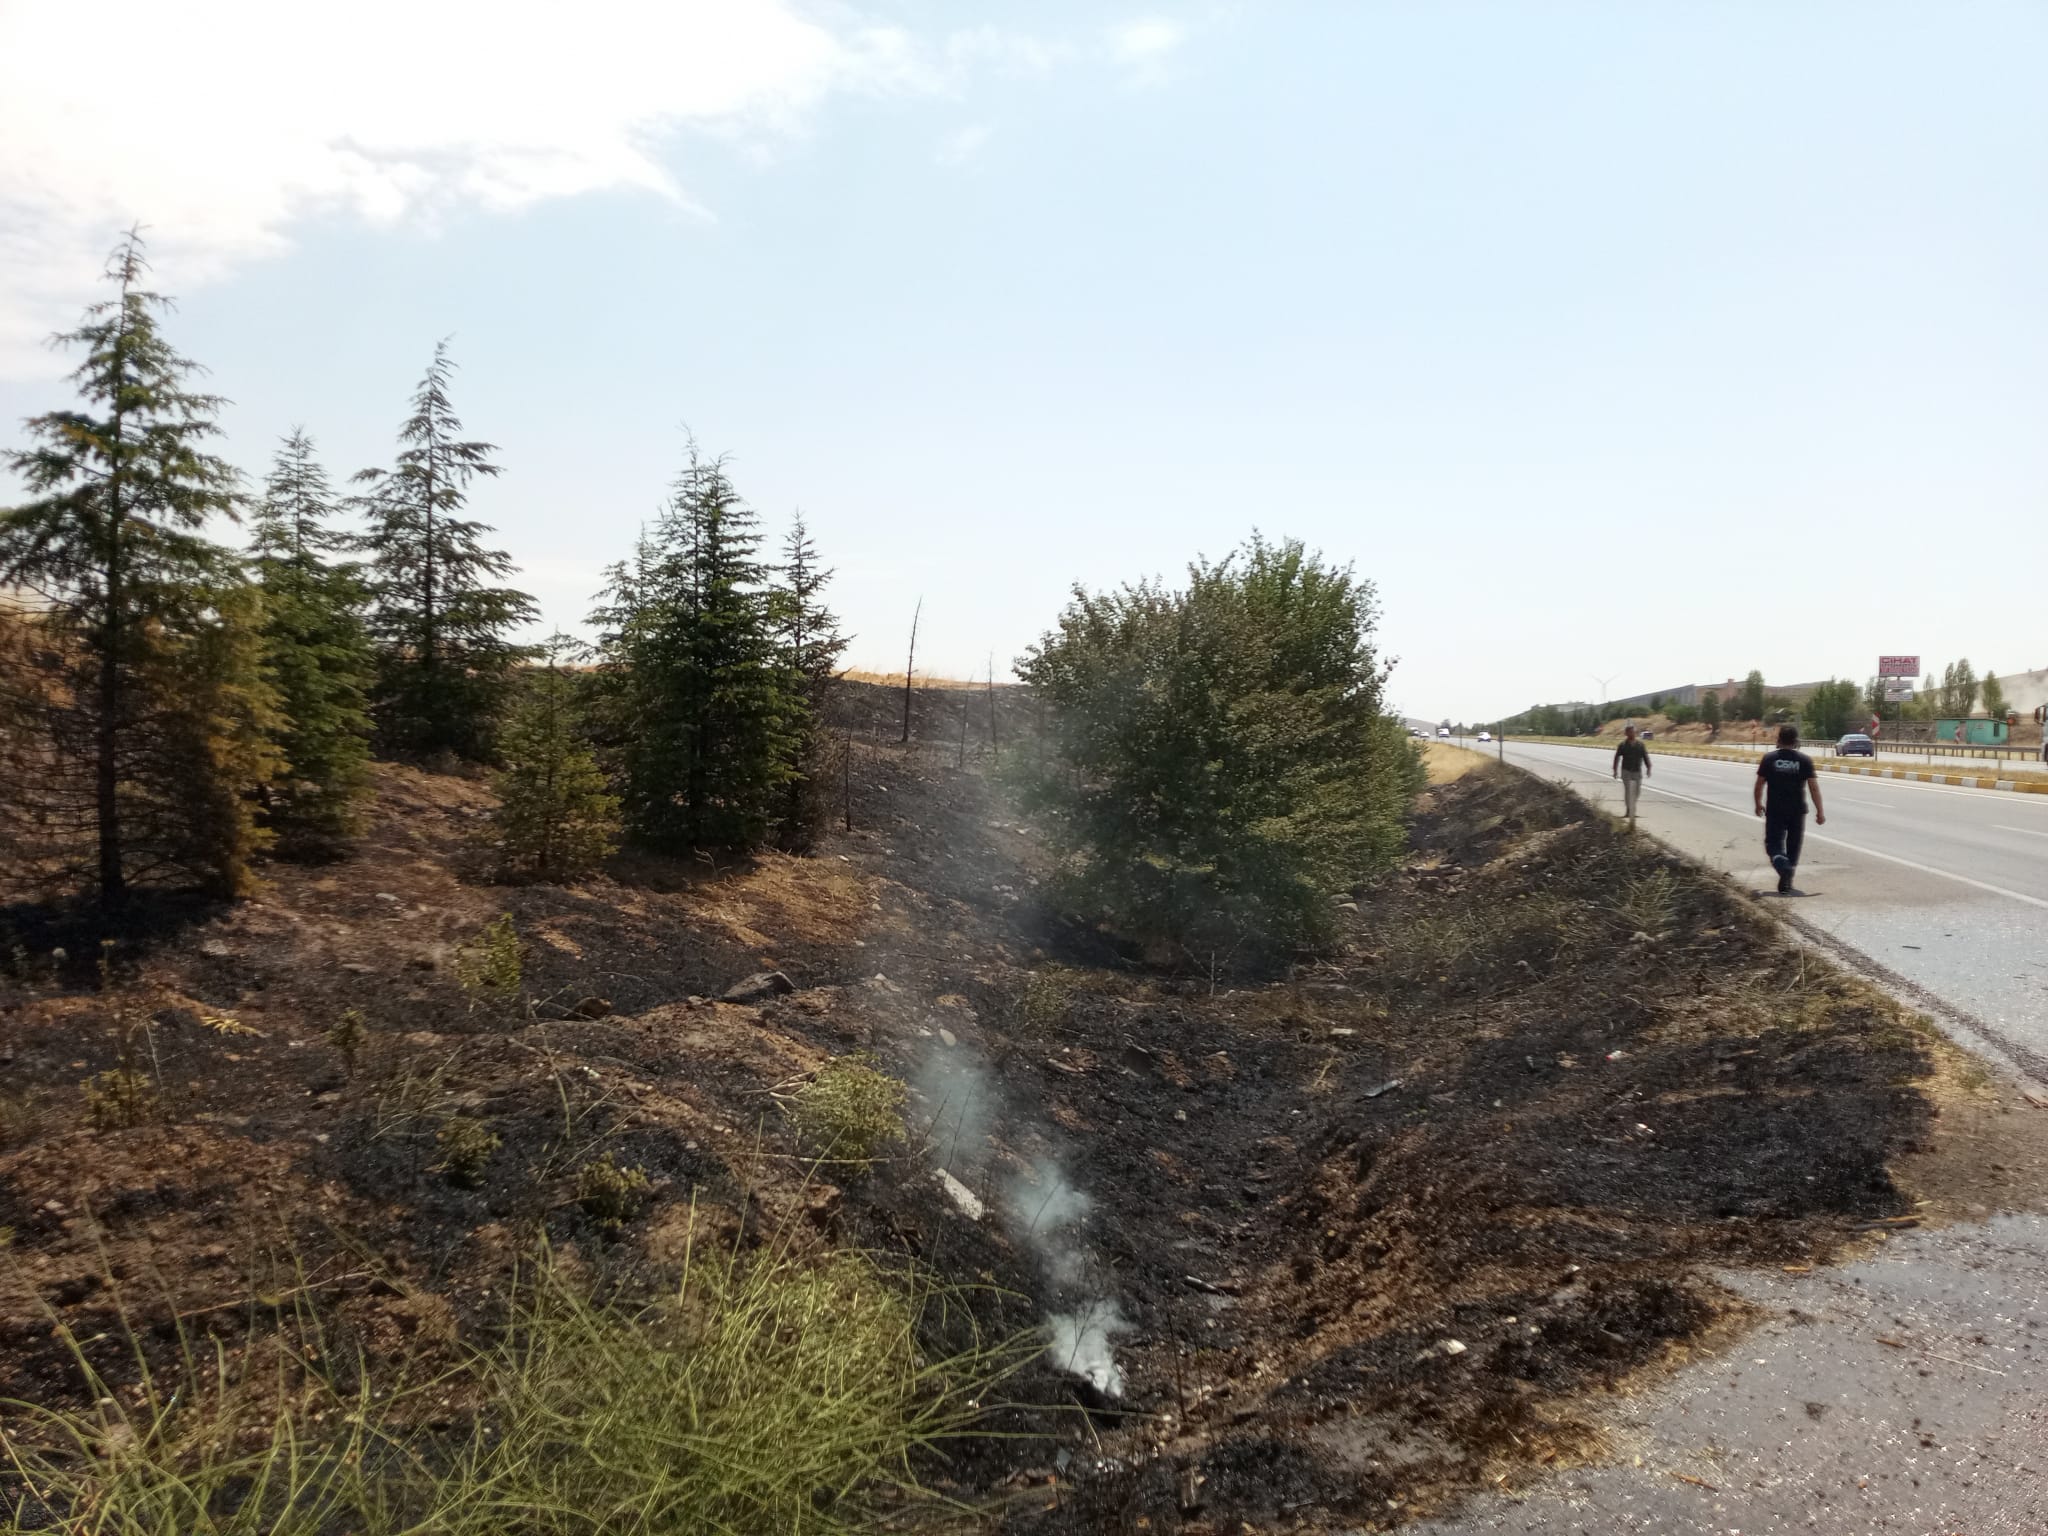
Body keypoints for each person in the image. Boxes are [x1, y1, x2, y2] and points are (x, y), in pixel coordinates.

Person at [1754, 723, 1825, 893]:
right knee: (1793, 846)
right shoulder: (1804, 761)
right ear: (1795, 741)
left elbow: (1759, 784)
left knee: (1773, 845)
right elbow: (1813, 787)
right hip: (1797, 811)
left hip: (1776, 810)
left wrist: (1758, 803)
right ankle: (1787, 879)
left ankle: (1783, 868)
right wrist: (1820, 811)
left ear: (1779, 740)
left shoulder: (1769, 759)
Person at [1611, 724, 1651, 820]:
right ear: (1626, 733)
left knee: (1637, 792)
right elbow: (1617, 757)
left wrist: (1649, 767)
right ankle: (1629, 810)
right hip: (1626, 771)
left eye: (1632, 731)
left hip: (1637, 771)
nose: (1631, 733)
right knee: (1628, 791)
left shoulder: (1640, 745)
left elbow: (1645, 757)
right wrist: (1615, 770)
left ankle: (1632, 807)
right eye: (1629, 731)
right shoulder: (1622, 745)